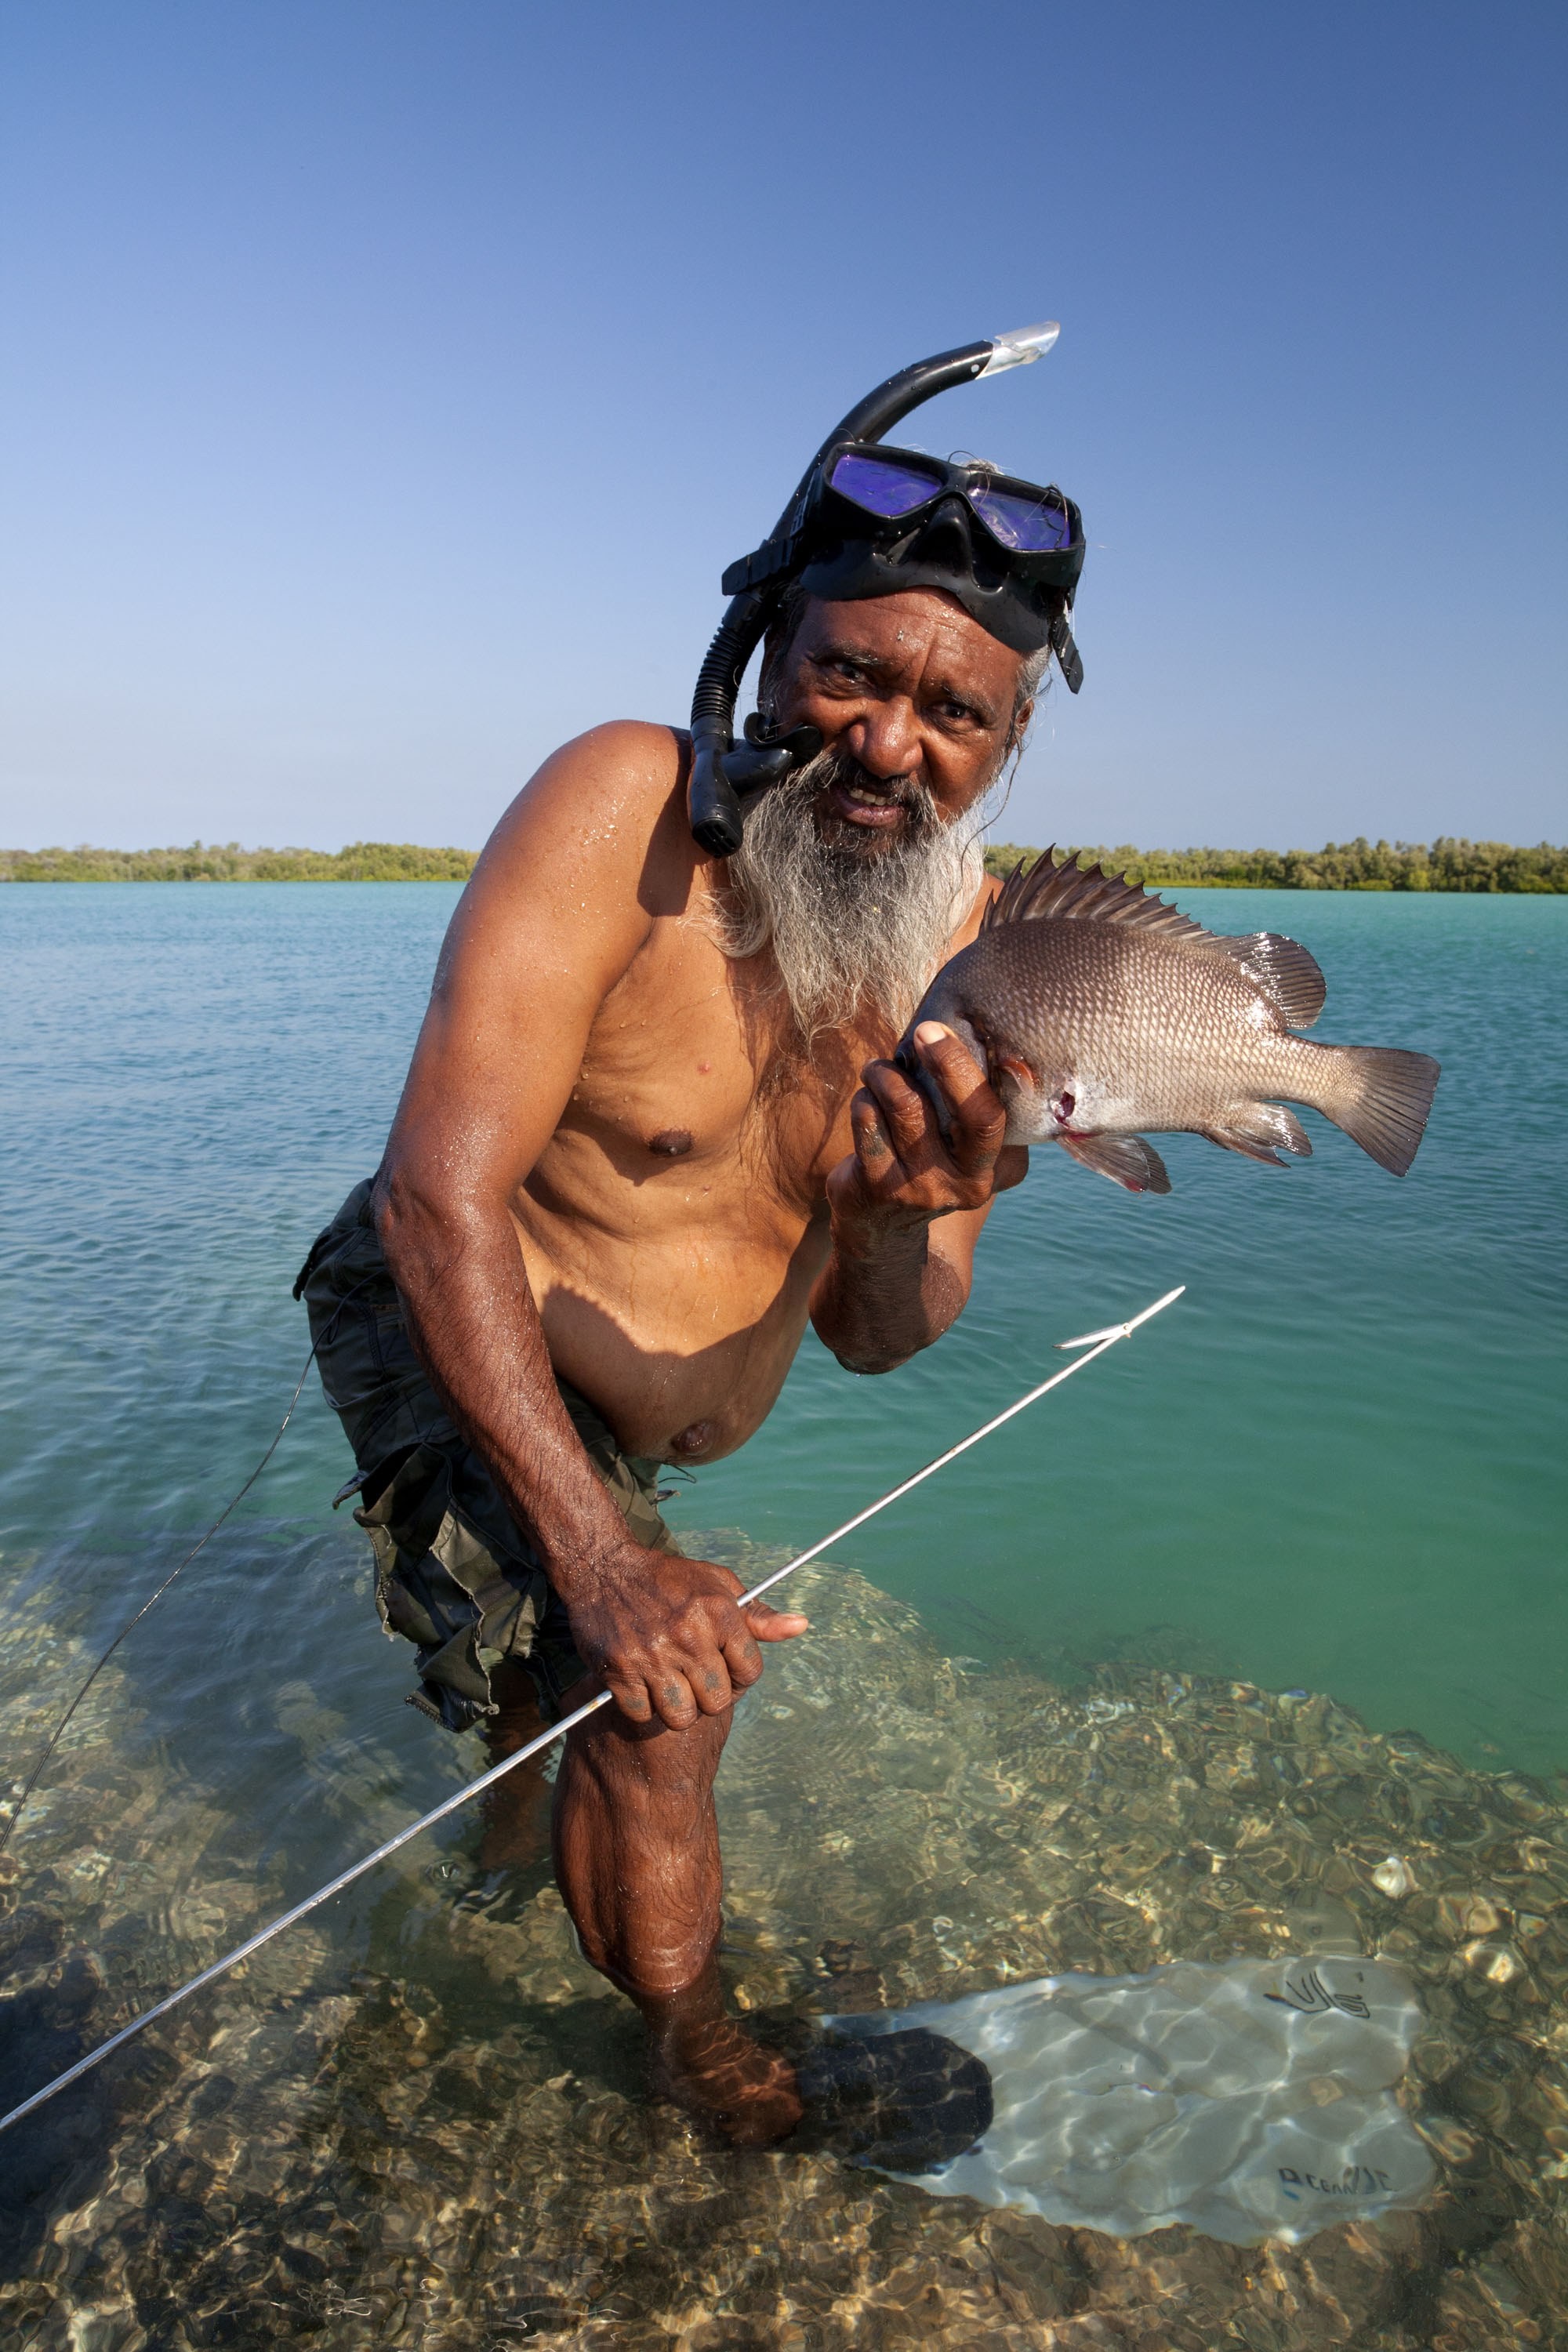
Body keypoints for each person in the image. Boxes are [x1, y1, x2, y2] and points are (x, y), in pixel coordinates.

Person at [299, 334, 1086, 2143]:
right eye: (850, 676)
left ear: (1007, 741)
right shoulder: (621, 806)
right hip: (450, 1298)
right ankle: (695, 2062)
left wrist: (912, 1213)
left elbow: (884, 1336)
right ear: (771, 651)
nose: (888, 742)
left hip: (639, 1410)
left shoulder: (962, 935)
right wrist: (600, 1559)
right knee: (661, 1693)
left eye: (952, 714)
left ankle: (503, 1864)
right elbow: (438, 1195)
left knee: (561, 1699)